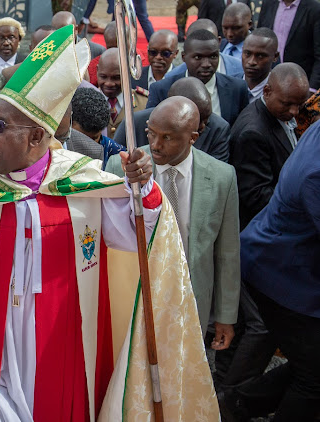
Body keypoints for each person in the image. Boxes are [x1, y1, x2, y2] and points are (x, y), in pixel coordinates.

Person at [0, 25, 218, 421]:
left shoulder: (82, 183)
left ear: (37, 135)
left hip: (61, 344)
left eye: (0, 127)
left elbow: (142, 234)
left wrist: (141, 188)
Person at [107, 96, 240, 346]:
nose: (156, 145)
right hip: (135, 294)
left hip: (190, 299)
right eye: (151, 133)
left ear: (193, 138)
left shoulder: (222, 177)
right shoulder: (122, 167)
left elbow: (227, 253)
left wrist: (225, 316)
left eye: (168, 137)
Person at [228, 120, 320, 422]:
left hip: (287, 261)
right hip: (282, 275)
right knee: (313, 379)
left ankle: (233, 406)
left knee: (310, 364)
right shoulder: (315, 176)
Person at [229, 63, 308, 229]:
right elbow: (256, 195)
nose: (294, 111)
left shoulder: (278, 113)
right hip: (268, 227)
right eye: (287, 104)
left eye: (299, 104)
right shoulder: (253, 134)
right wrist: (301, 202)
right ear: (267, 92)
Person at [149, 29, 250, 126]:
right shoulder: (161, 90)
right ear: (184, 57)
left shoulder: (237, 88)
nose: (206, 64)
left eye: (213, 57)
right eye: (198, 57)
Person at [117, 77, 231, 162]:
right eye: (198, 118)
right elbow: (116, 163)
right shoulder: (134, 123)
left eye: (207, 119)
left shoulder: (219, 128)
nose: (202, 126)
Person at [258, 0, 320, 90]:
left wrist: (312, 89)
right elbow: (259, 39)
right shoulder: (268, 3)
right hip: (267, 83)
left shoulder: (314, 9)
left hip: (299, 85)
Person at [97, 49, 148, 139]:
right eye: (103, 77)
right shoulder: (86, 101)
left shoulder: (144, 103)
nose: (109, 83)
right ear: (97, 71)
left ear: (128, 73)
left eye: (116, 78)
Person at [166, 19, 245, 78]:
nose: (206, 64)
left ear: (219, 41)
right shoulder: (172, 77)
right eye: (198, 57)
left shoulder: (240, 68)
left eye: (209, 39)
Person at [72, 87, 127, 168]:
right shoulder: (53, 149)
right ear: (69, 123)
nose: (87, 145)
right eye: (80, 138)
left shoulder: (117, 156)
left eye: (94, 140)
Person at [88, 22, 149, 86]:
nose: (118, 53)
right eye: (112, 48)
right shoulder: (94, 66)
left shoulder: (149, 61)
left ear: (131, 40)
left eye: (122, 47)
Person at [242, 28, 280, 102]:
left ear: (275, 56)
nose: (251, 62)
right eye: (247, 54)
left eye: (260, 56)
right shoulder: (228, 86)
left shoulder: (279, 92)